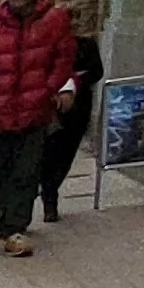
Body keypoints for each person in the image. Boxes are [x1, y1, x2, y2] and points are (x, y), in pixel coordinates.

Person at [0, 0, 79, 256]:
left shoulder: (53, 22)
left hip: (32, 113)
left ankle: (15, 230)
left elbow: (63, 61)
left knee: (24, 173)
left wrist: (47, 90)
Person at [40, 28, 108, 224]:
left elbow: (96, 71)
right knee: (49, 153)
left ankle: (50, 189)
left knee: (67, 154)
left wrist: (74, 80)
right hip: (51, 106)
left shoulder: (86, 45)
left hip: (79, 107)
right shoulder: (47, 46)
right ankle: (49, 199)